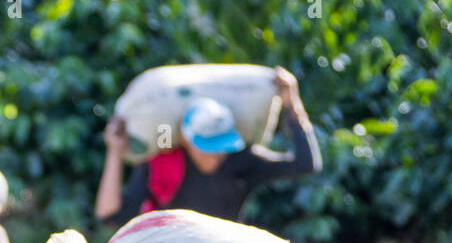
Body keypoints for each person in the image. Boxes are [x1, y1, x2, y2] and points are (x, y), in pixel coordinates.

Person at [95, 67, 321, 226]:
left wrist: (292, 103)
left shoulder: (241, 161)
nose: (215, 156)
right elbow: (110, 215)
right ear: (185, 139)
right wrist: (114, 152)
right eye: (206, 147)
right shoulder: (163, 165)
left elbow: (306, 164)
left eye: (219, 147)